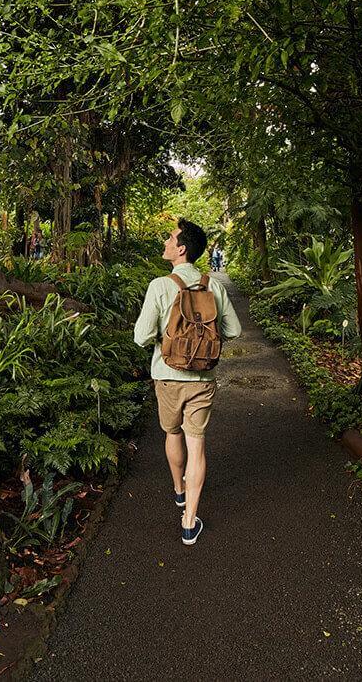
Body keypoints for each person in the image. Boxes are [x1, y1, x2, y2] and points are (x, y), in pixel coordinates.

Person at [133, 218, 241, 545]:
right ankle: (190, 521)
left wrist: (165, 340)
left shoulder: (160, 286)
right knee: (197, 444)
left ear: (181, 249)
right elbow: (234, 330)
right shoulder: (214, 285)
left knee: (172, 432)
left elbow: (141, 337)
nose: (166, 242)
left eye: (170, 238)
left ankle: (179, 490)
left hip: (167, 376)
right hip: (203, 377)